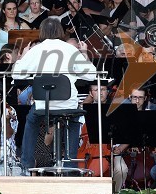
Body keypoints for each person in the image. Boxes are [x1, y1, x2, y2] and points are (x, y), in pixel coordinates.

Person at [12, 17, 96, 170]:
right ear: (60, 31)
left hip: (43, 106)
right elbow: (91, 75)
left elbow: (17, 74)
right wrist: (84, 53)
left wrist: (23, 56)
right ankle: (70, 165)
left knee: (31, 120)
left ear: (42, 32)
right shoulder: (71, 49)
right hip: (67, 105)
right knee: (73, 119)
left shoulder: (36, 50)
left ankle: (26, 163)